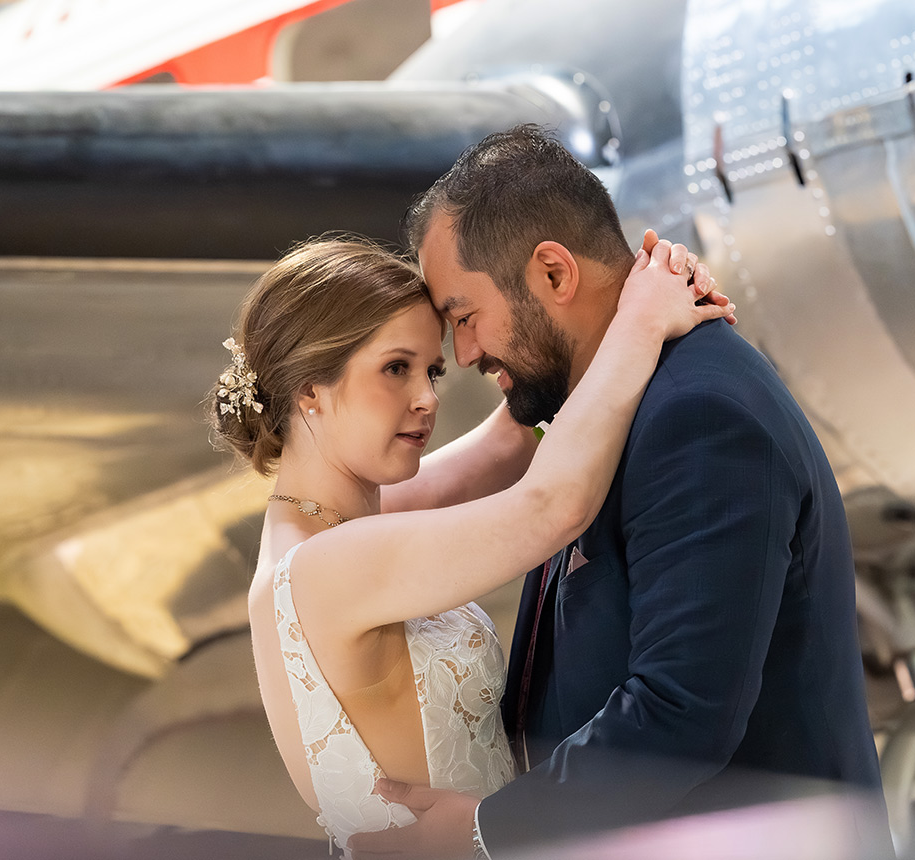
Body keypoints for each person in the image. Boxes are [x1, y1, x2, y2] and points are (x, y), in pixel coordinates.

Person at [348, 125, 887, 859]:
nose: (466, 353)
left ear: (552, 274)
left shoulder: (699, 417)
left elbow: (680, 712)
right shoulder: (599, 407)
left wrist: (484, 831)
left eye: (464, 318)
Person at [209, 236, 731, 855]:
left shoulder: (325, 529)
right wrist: (642, 323)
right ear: (309, 390)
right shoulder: (329, 566)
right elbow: (551, 508)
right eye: (395, 368)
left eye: (431, 370)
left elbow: (507, 443)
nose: (429, 398)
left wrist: (617, 295)